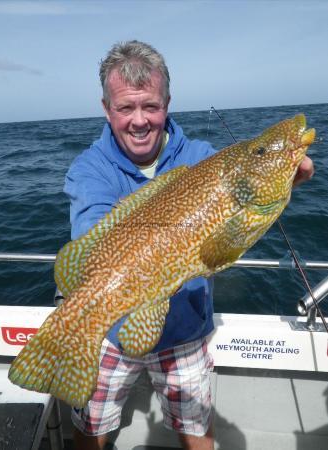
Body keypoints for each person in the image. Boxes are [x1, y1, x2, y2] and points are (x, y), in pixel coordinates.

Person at [64, 40, 314, 450]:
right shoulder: (88, 169)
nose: (140, 120)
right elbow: (93, 236)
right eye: (126, 108)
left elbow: (231, 228)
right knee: (92, 426)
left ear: (168, 102)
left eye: (151, 106)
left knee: (195, 426)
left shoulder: (202, 158)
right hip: (109, 328)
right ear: (106, 108)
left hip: (185, 330)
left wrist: (286, 177)